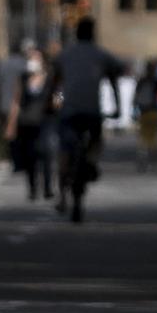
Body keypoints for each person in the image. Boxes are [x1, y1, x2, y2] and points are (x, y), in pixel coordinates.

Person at [51, 16, 123, 223]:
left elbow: (53, 82)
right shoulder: (100, 54)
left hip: (69, 111)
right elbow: (114, 77)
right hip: (92, 112)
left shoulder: (65, 54)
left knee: (64, 150)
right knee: (96, 139)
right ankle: (91, 160)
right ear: (93, 33)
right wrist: (116, 107)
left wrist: (50, 103)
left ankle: (62, 195)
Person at [3, 47, 53, 200]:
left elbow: (59, 94)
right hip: (27, 122)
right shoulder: (23, 78)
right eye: (30, 58)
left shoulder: (50, 78)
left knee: (46, 153)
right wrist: (11, 124)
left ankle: (47, 187)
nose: (33, 61)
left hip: (45, 121)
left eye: (36, 58)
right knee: (30, 156)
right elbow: (16, 101)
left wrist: (58, 103)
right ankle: (32, 188)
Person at [133, 57, 157, 172]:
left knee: (143, 137)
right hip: (153, 111)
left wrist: (134, 109)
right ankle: (154, 162)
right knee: (154, 137)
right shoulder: (156, 80)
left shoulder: (141, 80)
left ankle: (142, 160)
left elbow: (136, 96)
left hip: (143, 111)